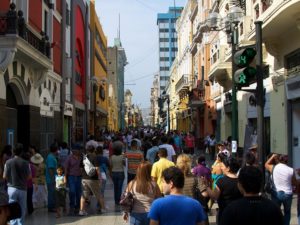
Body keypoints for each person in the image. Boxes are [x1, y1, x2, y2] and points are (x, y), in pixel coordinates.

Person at [205, 156, 242, 224]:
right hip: (239, 214)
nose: (221, 168)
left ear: (228, 168)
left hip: (224, 214)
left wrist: (206, 186)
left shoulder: (221, 181)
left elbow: (214, 196)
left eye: (222, 166)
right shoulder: (241, 181)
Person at [3, 143, 31, 225]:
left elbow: (4, 176)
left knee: (12, 210)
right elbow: (29, 177)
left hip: (11, 189)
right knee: (22, 209)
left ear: (13, 151)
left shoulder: (8, 162)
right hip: (22, 189)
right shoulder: (25, 163)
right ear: (21, 152)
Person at [265, 153, 296, 225]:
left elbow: (266, 164)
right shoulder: (291, 170)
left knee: (275, 211)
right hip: (287, 194)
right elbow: (294, 183)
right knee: (287, 212)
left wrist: (272, 156)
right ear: (287, 161)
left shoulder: (274, 167)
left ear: (279, 160)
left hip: (276, 193)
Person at [79, 145, 104, 216]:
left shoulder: (84, 158)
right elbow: (97, 169)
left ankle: (81, 210)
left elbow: (80, 168)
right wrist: (100, 177)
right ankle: (103, 208)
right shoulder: (95, 157)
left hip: (84, 178)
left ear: (87, 150)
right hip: (93, 179)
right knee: (98, 194)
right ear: (94, 150)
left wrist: (83, 175)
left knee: (83, 195)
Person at [64, 144, 82, 216]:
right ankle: (72, 206)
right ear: (74, 151)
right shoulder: (69, 158)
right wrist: (65, 177)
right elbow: (66, 168)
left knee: (78, 193)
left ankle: (77, 206)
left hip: (79, 177)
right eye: (78, 150)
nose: (79, 151)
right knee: (72, 191)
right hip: (71, 177)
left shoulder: (82, 157)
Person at [110, 141, 125, 207]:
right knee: (120, 187)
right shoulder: (122, 156)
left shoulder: (111, 157)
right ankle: (119, 200)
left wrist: (110, 173)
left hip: (114, 173)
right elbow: (124, 164)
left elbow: (110, 166)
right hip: (121, 172)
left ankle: (116, 201)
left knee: (115, 188)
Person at [45, 144, 58, 212]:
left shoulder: (52, 157)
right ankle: (51, 207)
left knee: (52, 193)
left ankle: (52, 206)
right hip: (51, 179)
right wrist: (53, 179)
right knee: (51, 193)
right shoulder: (50, 157)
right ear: (56, 150)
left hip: (52, 178)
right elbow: (50, 169)